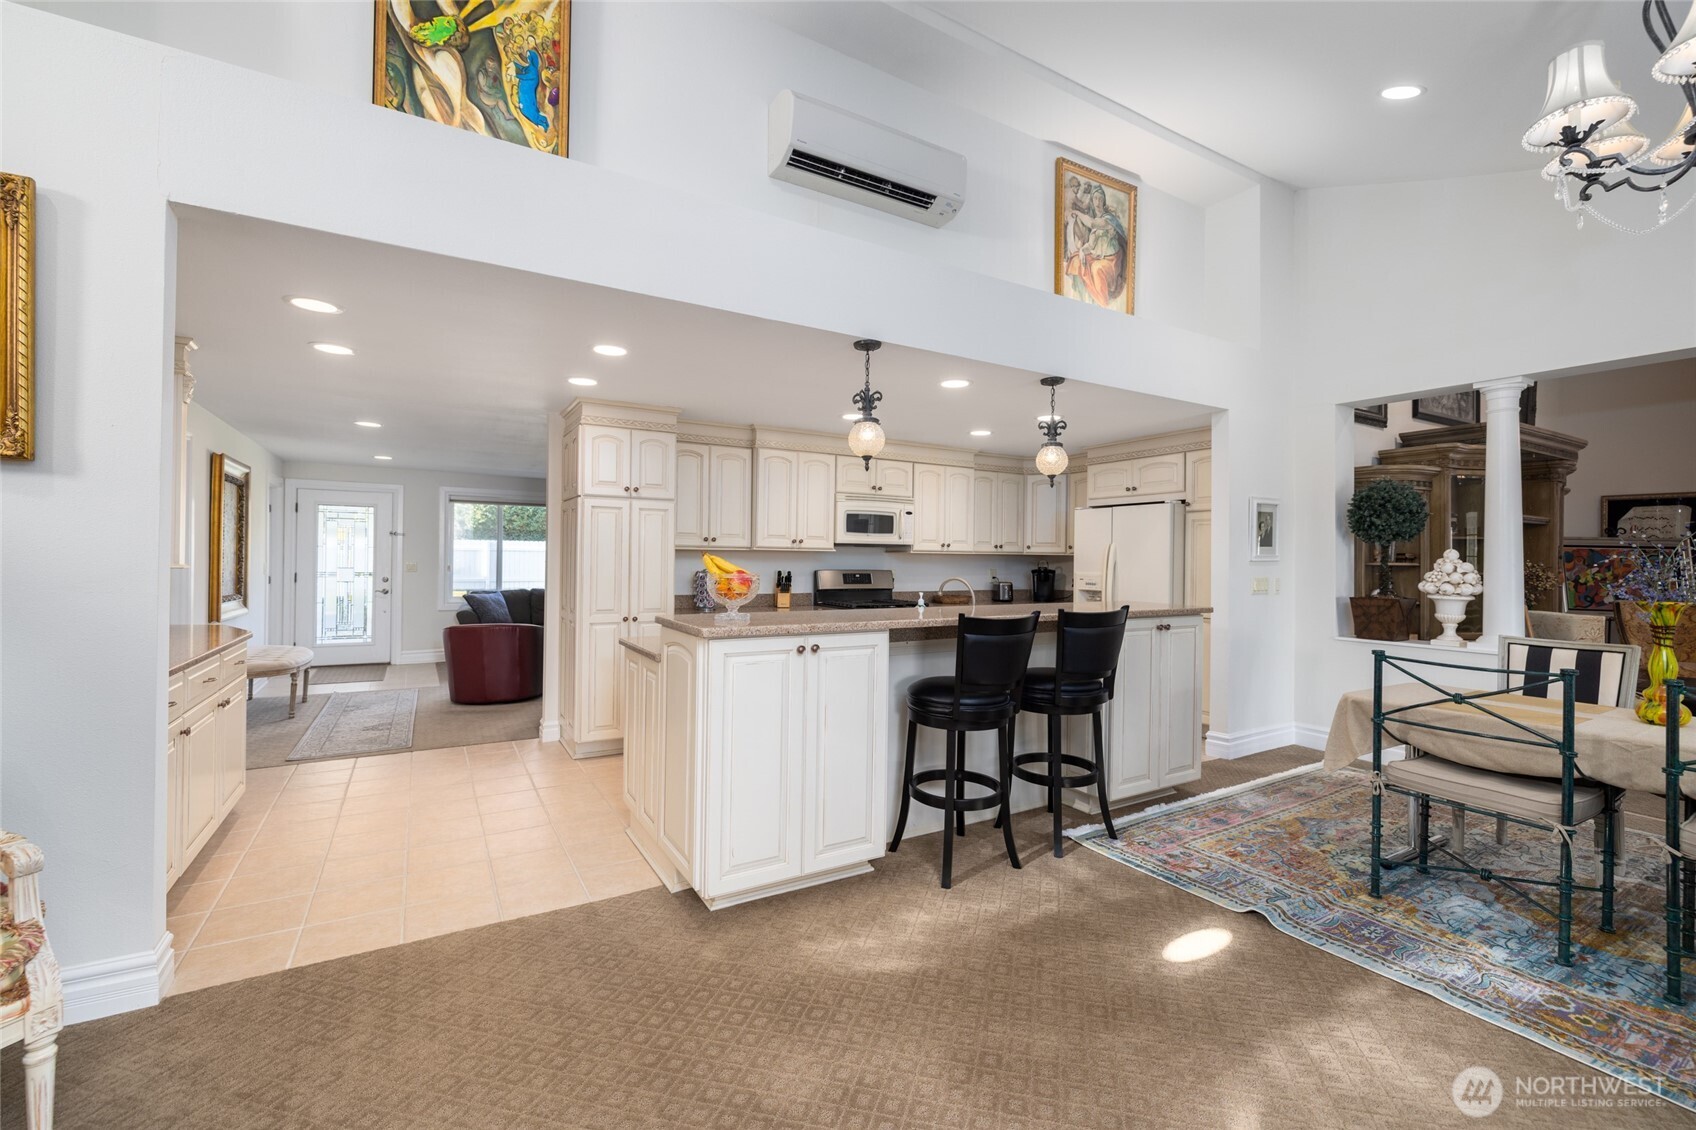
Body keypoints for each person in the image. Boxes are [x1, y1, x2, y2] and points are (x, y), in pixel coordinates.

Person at [1063, 183, 1128, 308]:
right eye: (1095, 198)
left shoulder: (1108, 220)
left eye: (1100, 199)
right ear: (1092, 201)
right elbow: (1091, 245)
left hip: (1112, 261)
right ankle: (1082, 299)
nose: (1098, 202)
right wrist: (1082, 251)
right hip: (1099, 257)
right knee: (1076, 260)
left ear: (1104, 201)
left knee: (1096, 269)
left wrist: (1076, 212)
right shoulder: (1096, 223)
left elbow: (1092, 223)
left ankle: (1102, 304)